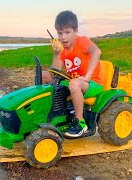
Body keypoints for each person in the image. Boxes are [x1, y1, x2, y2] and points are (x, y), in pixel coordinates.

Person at [42, 10, 103, 138]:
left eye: (67, 32)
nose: (63, 37)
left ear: (75, 31)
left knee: (74, 83)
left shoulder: (82, 41)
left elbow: (97, 52)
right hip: (74, 82)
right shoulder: (62, 50)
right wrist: (57, 53)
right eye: (60, 33)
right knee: (44, 75)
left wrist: (87, 77)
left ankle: (80, 122)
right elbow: (54, 73)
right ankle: (47, 112)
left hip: (92, 83)